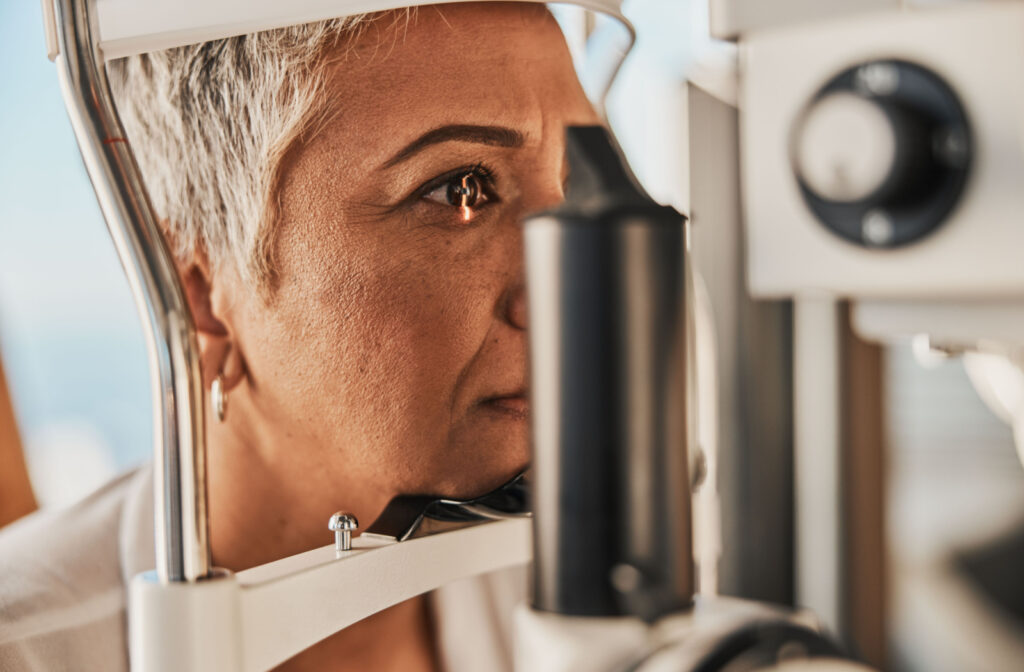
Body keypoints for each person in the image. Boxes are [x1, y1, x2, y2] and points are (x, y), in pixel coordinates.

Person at [0, 3, 600, 670]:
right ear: (197, 294)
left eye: (581, 184)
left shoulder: (598, 595)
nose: (583, 291)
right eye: (461, 189)